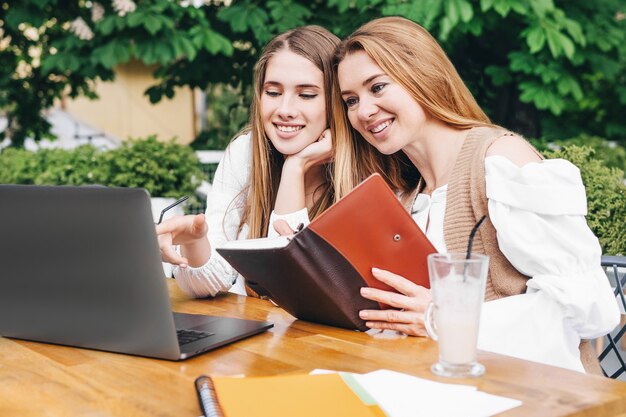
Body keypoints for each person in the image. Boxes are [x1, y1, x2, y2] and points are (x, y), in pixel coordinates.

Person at [332, 16, 619, 374]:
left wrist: (443, 317)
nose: (363, 111)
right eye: (351, 100)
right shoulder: (408, 197)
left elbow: (589, 307)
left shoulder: (500, 159)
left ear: (421, 75)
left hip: (537, 398)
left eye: (377, 87)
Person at [156, 26, 340, 297]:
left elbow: (291, 290)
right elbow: (208, 286)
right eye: (273, 92)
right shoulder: (245, 152)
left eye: (307, 94)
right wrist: (195, 243)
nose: (285, 110)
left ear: (336, 101)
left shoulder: (364, 171)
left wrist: (295, 167)